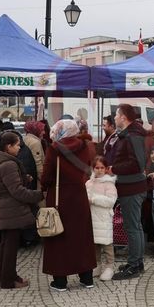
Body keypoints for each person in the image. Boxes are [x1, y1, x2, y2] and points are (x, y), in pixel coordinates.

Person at [40, 119, 97, 291]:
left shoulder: (54, 149)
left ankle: (60, 281)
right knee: (82, 237)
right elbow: (88, 168)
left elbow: (47, 176)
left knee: (59, 237)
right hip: (79, 196)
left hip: (60, 198)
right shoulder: (85, 146)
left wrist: (43, 186)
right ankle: (87, 278)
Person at [0, 131, 42, 289]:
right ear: (8, 146)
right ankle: (7, 281)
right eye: (17, 145)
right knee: (10, 247)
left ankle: (6, 275)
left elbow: (7, 185)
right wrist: (39, 195)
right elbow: (16, 191)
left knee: (6, 244)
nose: (19, 148)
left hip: (5, 208)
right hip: (10, 209)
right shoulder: (8, 164)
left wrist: (24, 179)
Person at [108, 104, 150, 280]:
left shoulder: (133, 136)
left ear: (123, 117)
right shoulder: (129, 135)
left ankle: (134, 265)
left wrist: (113, 169)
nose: (114, 119)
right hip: (131, 187)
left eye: (116, 116)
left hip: (132, 188)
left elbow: (137, 164)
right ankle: (137, 261)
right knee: (135, 227)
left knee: (132, 228)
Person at [86, 156, 117, 281]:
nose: (99, 170)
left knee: (107, 244)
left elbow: (110, 201)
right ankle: (97, 265)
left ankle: (109, 266)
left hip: (103, 218)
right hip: (91, 217)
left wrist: (93, 199)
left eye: (101, 167)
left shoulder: (109, 184)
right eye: (96, 168)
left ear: (106, 168)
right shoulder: (89, 183)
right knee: (95, 244)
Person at [23, 121, 47, 187]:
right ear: (36, 130)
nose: (44, 132)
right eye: (42, 130)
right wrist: (43, 179)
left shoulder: (25, 139)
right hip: (36, 178)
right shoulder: (35, 143)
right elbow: (37, 162)